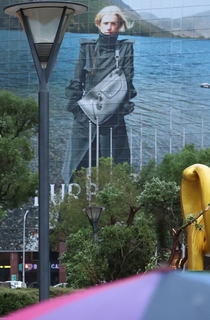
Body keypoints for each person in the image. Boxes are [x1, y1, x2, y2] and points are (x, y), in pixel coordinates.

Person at [62, 5, 136, 187]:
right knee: (75, 166)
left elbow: (128, 83)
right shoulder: (86, 48)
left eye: (114, 23)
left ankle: (110, 206)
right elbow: (76, 80)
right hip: (85, 116)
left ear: (119, 26)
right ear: (98, 24)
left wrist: (121, 112)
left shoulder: (126, 49)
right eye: (106, 23)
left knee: (114, 169)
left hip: (113, 118)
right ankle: (71, 205)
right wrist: (75, 109)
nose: (110, 27)